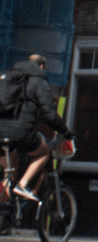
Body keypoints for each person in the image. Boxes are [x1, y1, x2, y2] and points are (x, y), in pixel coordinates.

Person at [0, 55, 72, 201]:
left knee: (9, 175)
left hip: (0, 134)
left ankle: (3, 216)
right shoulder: (38, 81)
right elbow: (50, 116)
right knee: (44, 152)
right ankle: (23, 184)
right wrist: (65, 131)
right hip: (21, 134)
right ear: (41, 66)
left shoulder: (6, 77)